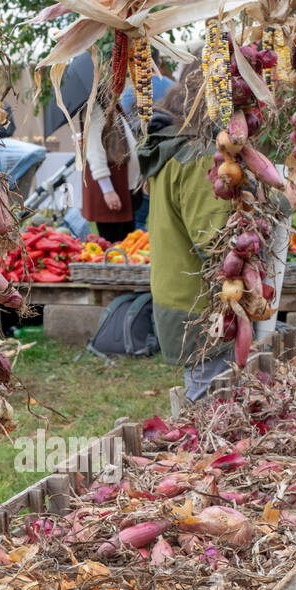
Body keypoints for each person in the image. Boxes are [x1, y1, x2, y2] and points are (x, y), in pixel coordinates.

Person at [138, 64, 232, 400]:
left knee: (205, 390)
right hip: (199, 303)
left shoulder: (174, 142)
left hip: (177, 295)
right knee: (208, 400)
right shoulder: (200, 157)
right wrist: (279, 204)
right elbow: (215, 242)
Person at [81, 91, 140, 241]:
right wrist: (108, 190)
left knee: (125, 243)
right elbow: (95, 149)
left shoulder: (108, 101)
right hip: (112, 187)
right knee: (113, 244)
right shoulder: (94, 106)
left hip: (123, 185)